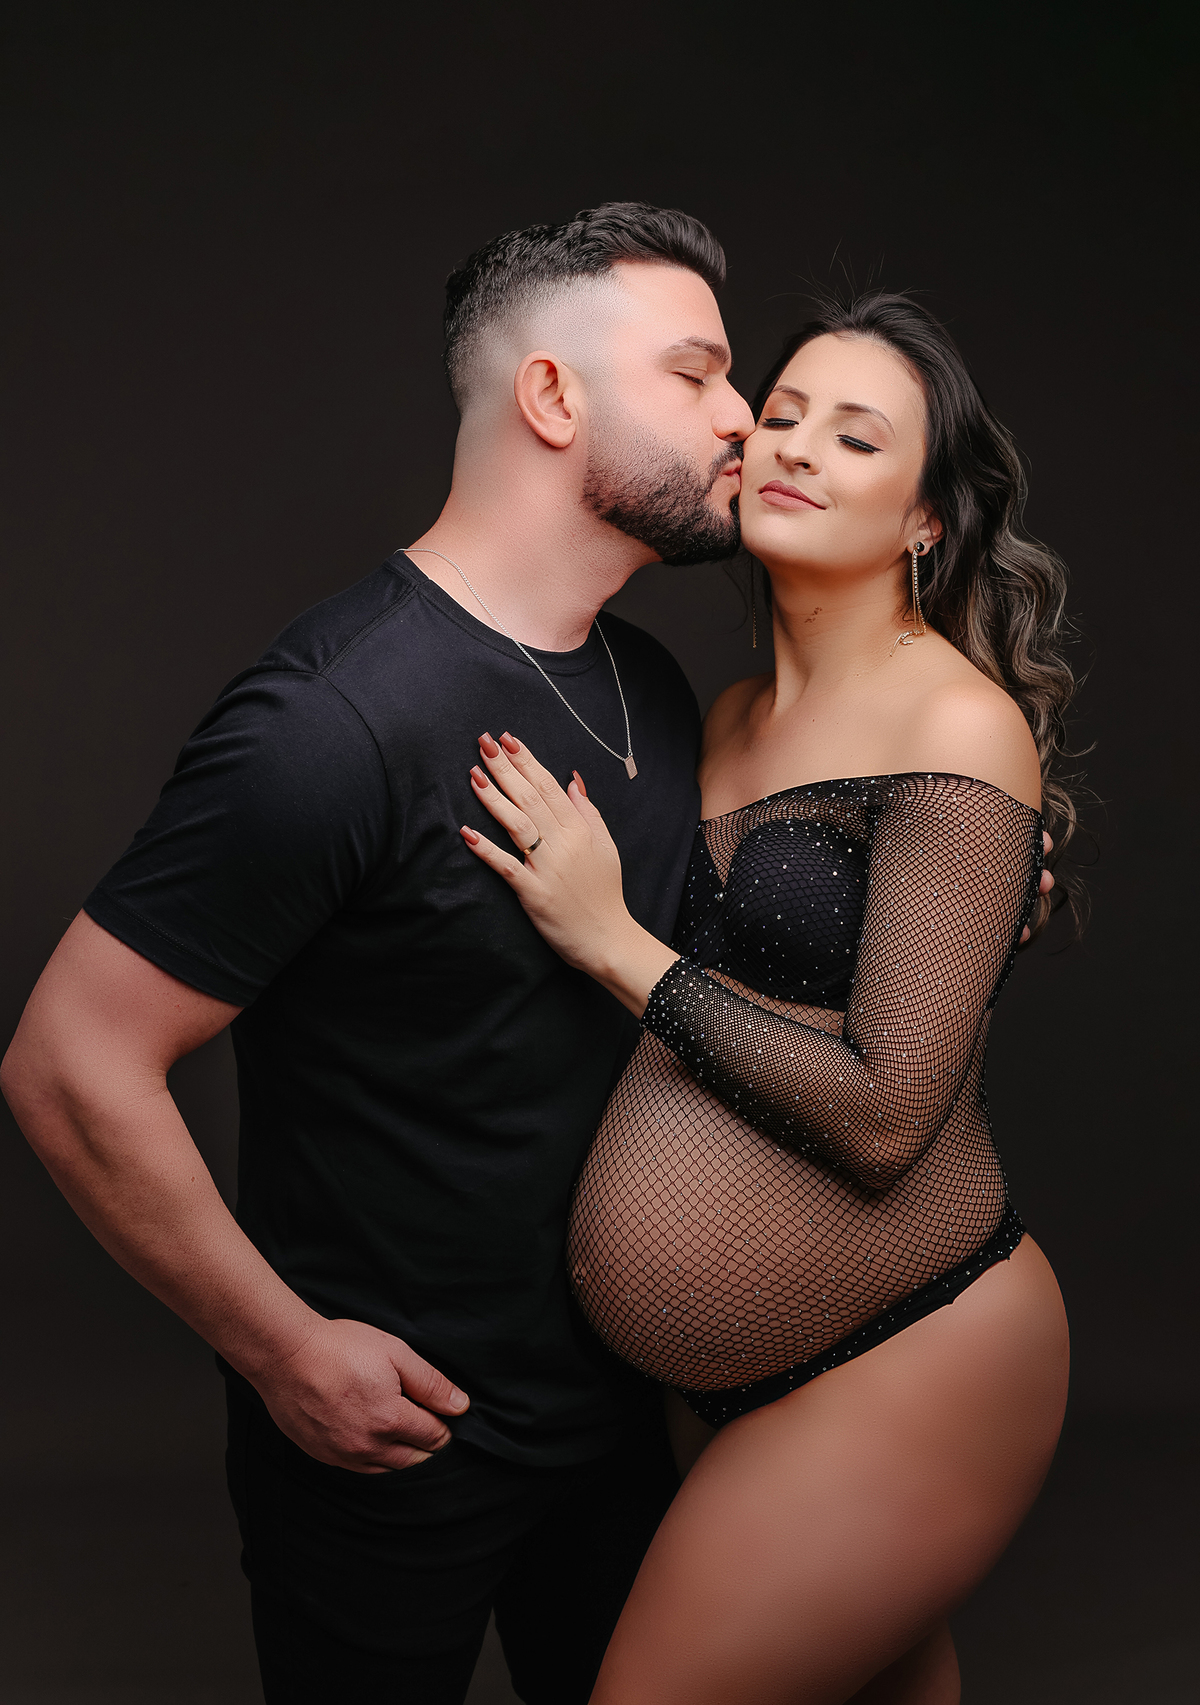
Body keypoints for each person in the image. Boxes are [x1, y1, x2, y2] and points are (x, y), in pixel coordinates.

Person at [0, 204, 758, 1705]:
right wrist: (284, 1351)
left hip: (637, 1415)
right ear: (551, 397)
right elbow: (70, 1062)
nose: (744, 416)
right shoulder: (333, 718)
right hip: (400, 1431)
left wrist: (958, 870)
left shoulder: (651, 684)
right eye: (697, 375)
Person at [459, 291, 1076, 1704]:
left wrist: (611, 940)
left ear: (925, 520)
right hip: (731, 1377)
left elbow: (885, 1114)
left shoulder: (954, 723)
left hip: (915, 1345)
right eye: (782, 415)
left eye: (856, 438)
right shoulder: (723, 717)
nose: (793, 447)